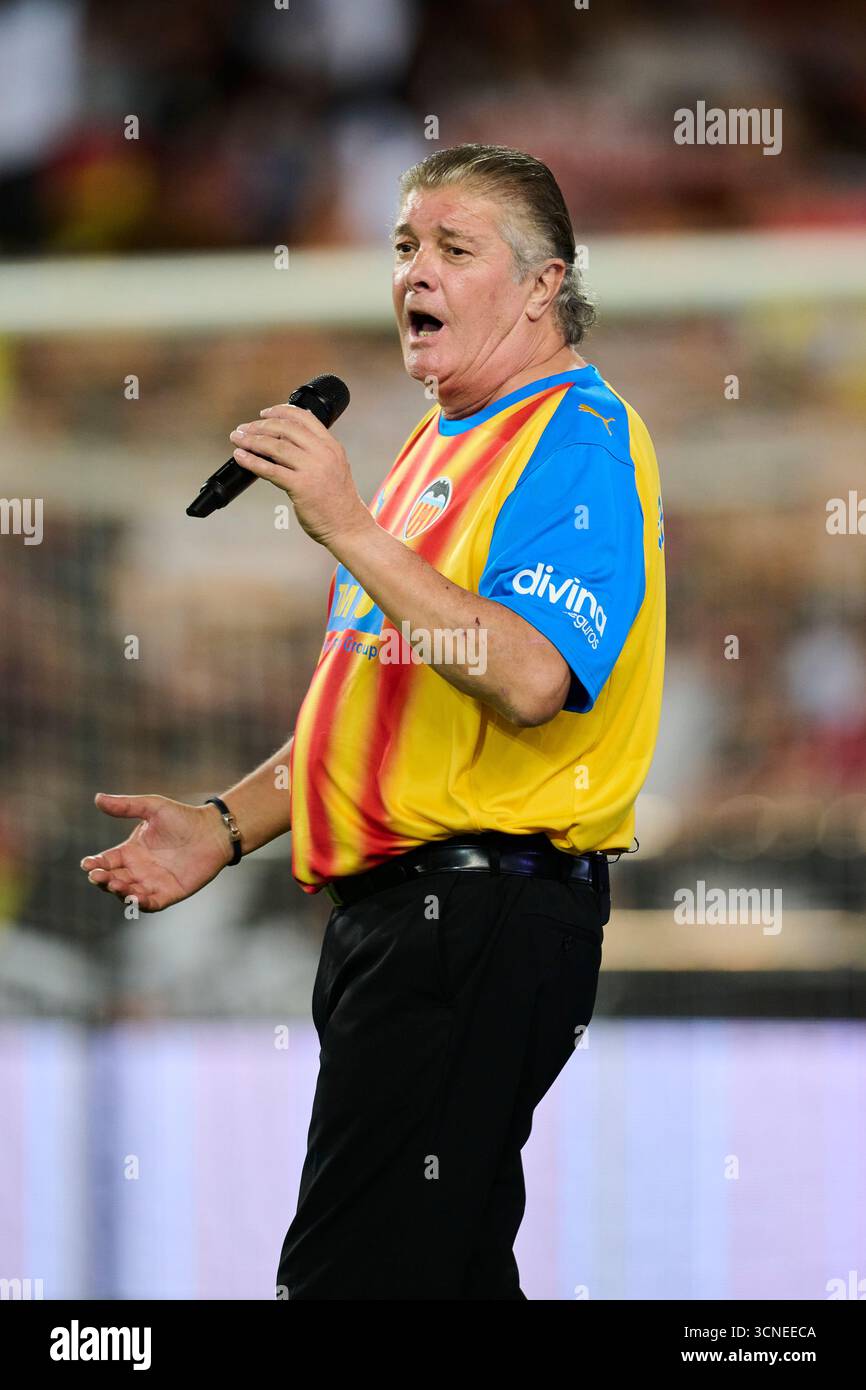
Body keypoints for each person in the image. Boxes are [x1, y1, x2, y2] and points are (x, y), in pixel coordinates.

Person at [81, 144, 666, 1300]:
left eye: (454, 248)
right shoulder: (421, 454)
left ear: (544, 285)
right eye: (405, 246)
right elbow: (369, 702)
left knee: (352, 1280)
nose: (415, 271)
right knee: (435, 1272)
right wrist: (224, 824)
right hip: (398, 922)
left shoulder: (576, 440)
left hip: (481, 910)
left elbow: (532, 674)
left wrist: (347, 527)